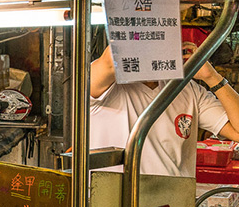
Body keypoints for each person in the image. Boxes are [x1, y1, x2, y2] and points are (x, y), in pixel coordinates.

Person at [90, 45, 239, 177]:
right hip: (115, 200)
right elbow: (112, 58)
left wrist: (212, 77)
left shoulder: (188, 89)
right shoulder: (104, 85)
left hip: (172, 200)